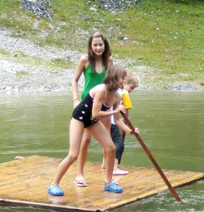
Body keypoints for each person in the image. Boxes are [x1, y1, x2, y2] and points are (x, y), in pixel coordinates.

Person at [48, 65, 127, 196]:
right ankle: (54, 184)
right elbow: (96, 113)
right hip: (79, 118)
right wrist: (115, 110)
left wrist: (130, 131)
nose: (123, 81)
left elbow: (117, 120)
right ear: (113, 77)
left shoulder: (117, 96)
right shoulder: (101, 90)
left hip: (91, 120)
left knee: (111, 148)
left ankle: (108, 183)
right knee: (73, 154)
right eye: (121, 78)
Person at [71, 32, 114, 187]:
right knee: (86, 139)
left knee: (107, 139)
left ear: (105, 45)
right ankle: (80, 174)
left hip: (104, 102)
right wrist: (75, 99)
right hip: (87, 102)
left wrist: (117, 101)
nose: (98, 48)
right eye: (95, 45)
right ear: (90, 46)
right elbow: (74, 80)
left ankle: (108, 171)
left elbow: (112, 81)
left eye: (100, 45)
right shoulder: (84, 60)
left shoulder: (109, 60)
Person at [107, 73, 139, 176]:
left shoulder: (115, 91)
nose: (132, 90)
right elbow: (126, 108)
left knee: (109, 144)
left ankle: (105, 164)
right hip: (113, 121)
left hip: (108, 120)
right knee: (118, 144)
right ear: (124, 83)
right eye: (131, 87)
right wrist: (125, 122)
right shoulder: (124, 93)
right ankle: (114, 168)